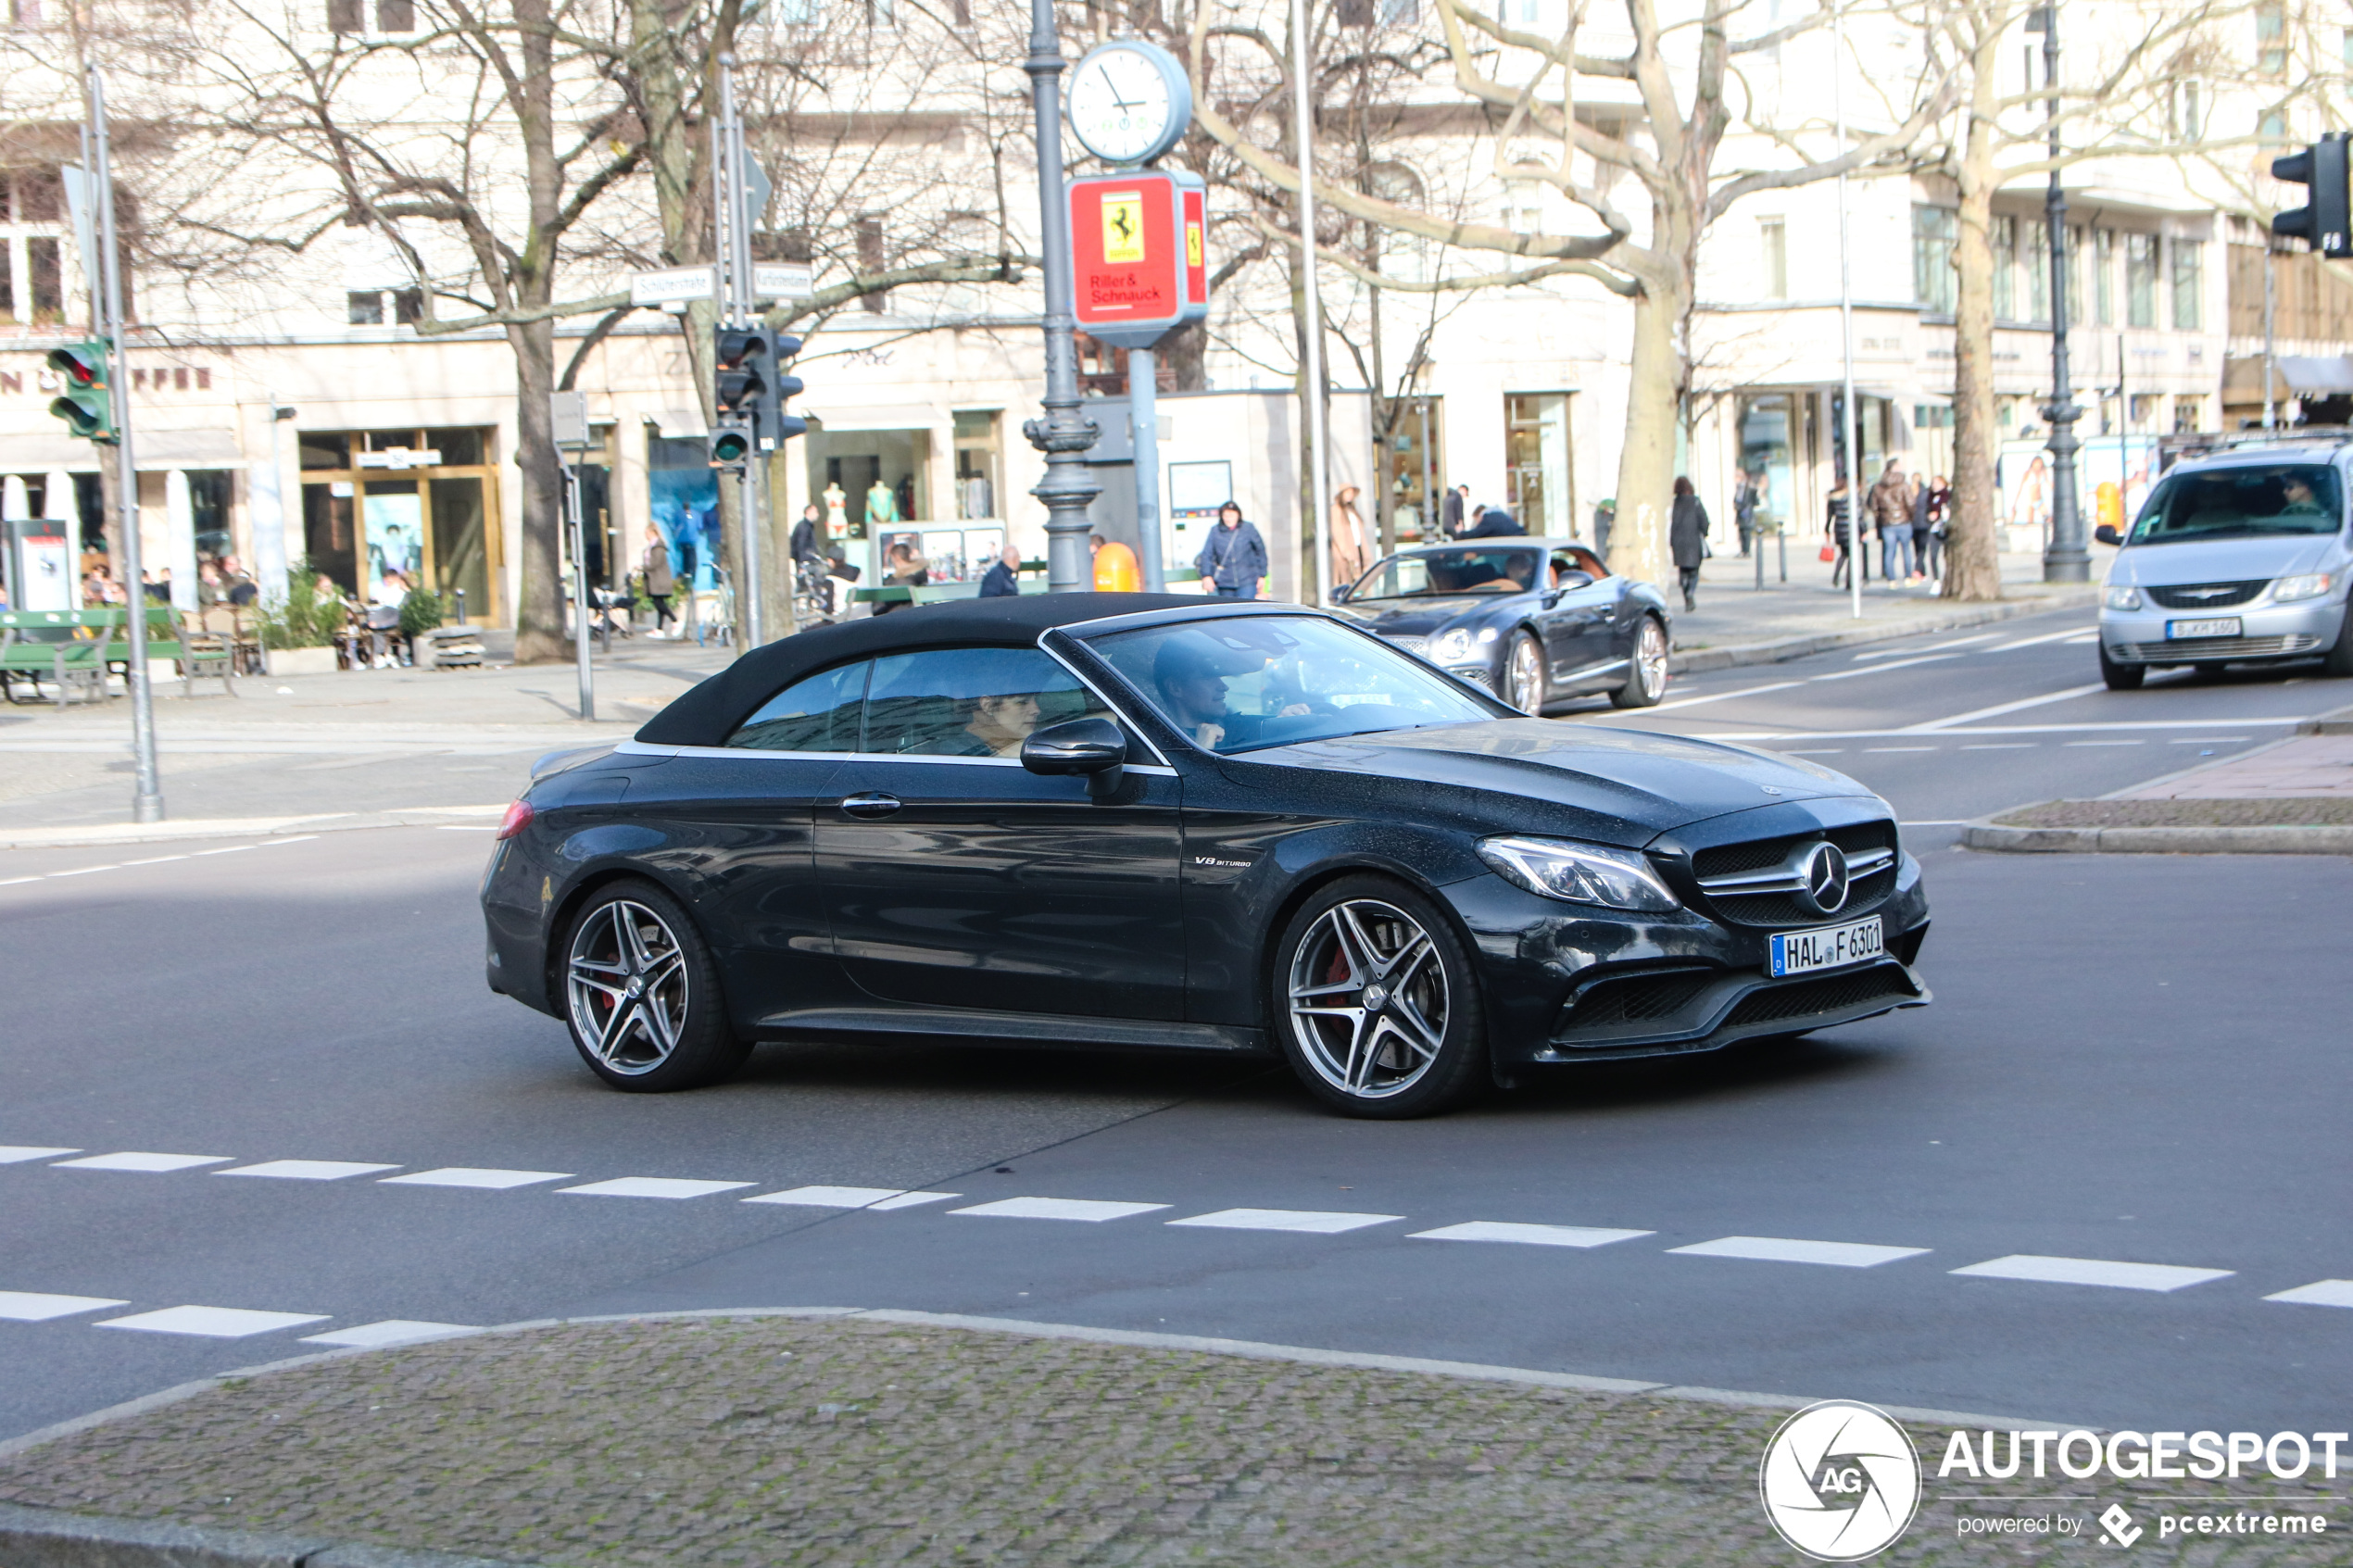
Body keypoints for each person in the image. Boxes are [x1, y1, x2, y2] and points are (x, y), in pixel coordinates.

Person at [1195, 502, 1267, 599]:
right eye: (1226, 516)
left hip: (1247, 580)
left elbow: (1260, 552)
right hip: (1225, 581)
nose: (1229, 519)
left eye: (1232, 515)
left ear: (1238, 515)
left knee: (1245, 609)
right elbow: (1207, 554)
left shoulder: (1248, 529)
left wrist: (1262, 575)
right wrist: (1207, 575)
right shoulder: (1215, 531)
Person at [961, 686, 1039, 758]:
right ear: (988, 706)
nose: (1036, 710)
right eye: (1021, 703)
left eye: (1036, 700)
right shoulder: (965, 753)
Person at [1668, 476, 1709, 611]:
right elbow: (1704, 520)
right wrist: (1704, 532)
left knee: (1683, 570)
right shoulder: (1695, 502)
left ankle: (1686, 592)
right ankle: (1690, 591)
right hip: (1693, 541)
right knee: (1694, 570)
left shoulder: (1675, 503)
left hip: (1678, 542)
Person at [1868, 459, 1912, 583]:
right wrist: (1909, 516)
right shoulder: (1904, 485)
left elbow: (1874, 506)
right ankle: (1908, 576)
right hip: (1904, 521)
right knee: (1906, 549)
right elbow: (1911, 503)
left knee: (1889, 551)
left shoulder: (1878, 486)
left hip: (1887, 523)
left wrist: (1881, 518)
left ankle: (1891, 578)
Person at [1329, 483, 1370, 595]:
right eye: (1347, 492)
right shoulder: (1336, 510)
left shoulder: (1352, 510)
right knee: (1345, 582)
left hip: (1358, 549)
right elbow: (1337, 533)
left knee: (1360, 581)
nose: (1350, 495)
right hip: (1345, 555)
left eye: (1352, 493)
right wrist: (1346, 552)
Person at [874, 540, 928, 615]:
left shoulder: (900, 580)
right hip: (916, 615)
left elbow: (878, 607)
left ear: (895, 557)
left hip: (898, 618)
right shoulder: (920, 574)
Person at [641, 526, 676, 636]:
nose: (645, 536)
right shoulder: (652, 546)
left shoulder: (658, 547)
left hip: (659, 579)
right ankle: (660, 629)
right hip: (654, 579)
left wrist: (643, 567)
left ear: (652, 532)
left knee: (659, 603)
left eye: (647, 533)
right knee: (659, 603)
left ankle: (675, 620)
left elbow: (655, 563)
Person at [1826, 480, 1855, 591]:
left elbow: (1829, 516)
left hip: (1839, 529)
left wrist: (1827, 529)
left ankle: (1836, 577)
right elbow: (1859, 514)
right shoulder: (1851, 497)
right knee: (1851, 556)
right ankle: (1849, 582)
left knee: (1843, 554)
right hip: (1851, 529)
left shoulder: (1833, 498)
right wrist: (1863, 529)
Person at [1921, 474, 1950, 583]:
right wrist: (1929, 516)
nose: (1934, 485)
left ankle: (1948, 578)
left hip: (1946, 528)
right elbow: (1925, 511)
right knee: (1933, 555)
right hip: (1934, 528)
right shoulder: (1929, 496)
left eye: (1937, 483)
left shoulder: (1948, 495)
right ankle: (1936, 579)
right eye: (1933, 483)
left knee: (1947, 555)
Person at [1732, 468, 1760, 558]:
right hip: (1740, 513)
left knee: (1746, 533)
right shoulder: (1739, 488)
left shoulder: (1749, 487)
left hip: (1746, 513)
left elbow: (1754, 501)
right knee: (1741, 532)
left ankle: (1746, 551)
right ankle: (1743, 550)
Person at [1461, 504, 1526, 539]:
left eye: (1476, 520)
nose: (1477, 523)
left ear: (1480, 515)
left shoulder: (1489, 519)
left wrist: (1459, 533)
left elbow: (1475, 534)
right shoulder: (1498, 515)